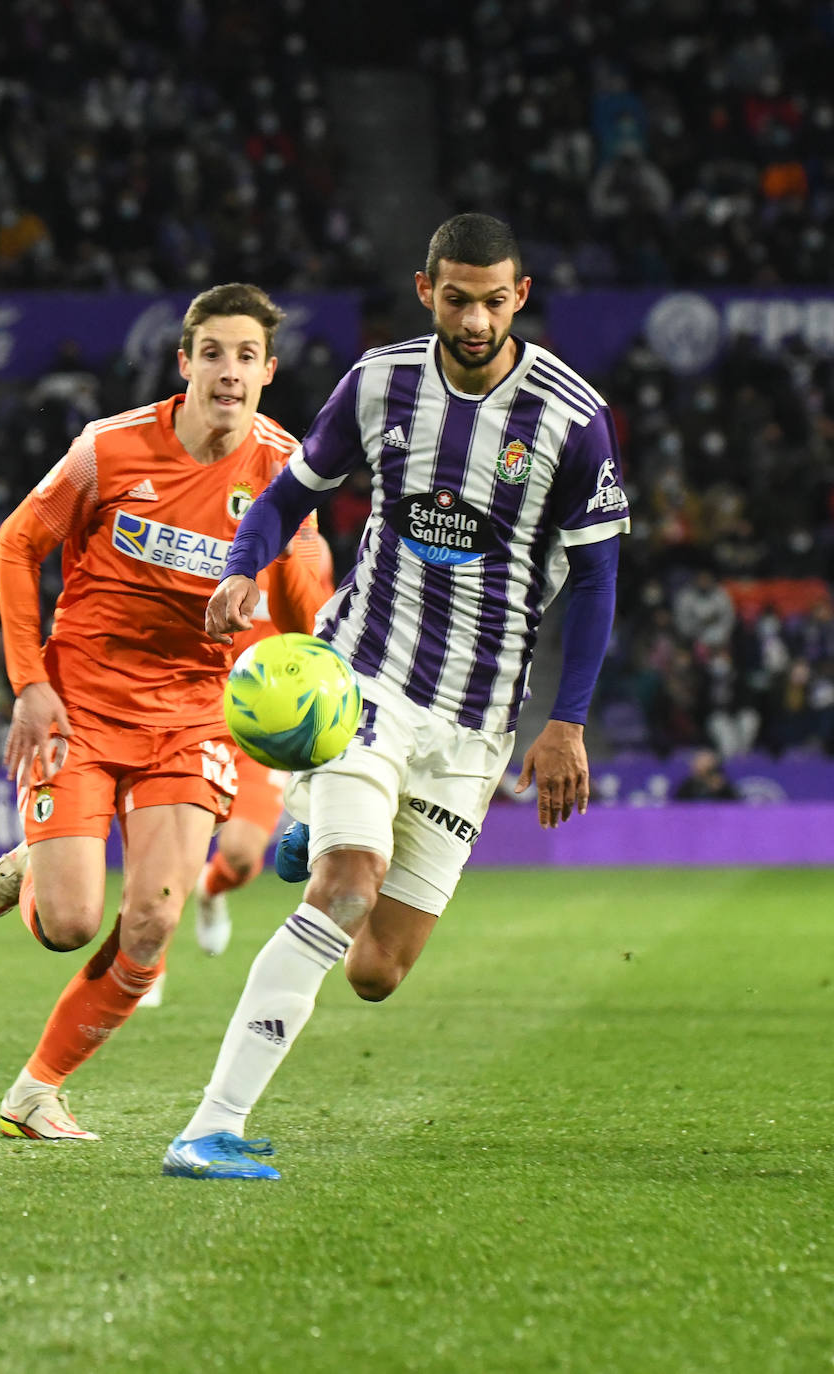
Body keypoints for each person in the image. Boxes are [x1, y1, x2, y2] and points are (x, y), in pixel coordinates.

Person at [161, 212, 632, 1180]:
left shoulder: (570, 414)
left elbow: (595, 580)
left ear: (520, 297)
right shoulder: (379, 383)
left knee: (376, 972)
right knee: (343, 891)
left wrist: (567, 720)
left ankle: (304, 821)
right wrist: (245, 569)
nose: (473, 317)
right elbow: (289, 494)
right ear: (427, 290)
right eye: (455, 297)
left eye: (492, 300)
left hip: (474, 721)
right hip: (363, 681)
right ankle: (208, 1126)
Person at [0, 282, 329, 1141]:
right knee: (68, 924)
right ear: (185, 362)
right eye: (214, 354)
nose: (230, 373)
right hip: (83, 703)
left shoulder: (287, 470)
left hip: (194, 715)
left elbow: (308, 593)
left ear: (269, 371)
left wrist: (323, 681)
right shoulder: (109, 449)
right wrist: (29, 682)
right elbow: (18, 543)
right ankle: (44, 851)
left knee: (157, 916)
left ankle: (37, 1089)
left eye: (247, 357)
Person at [138, 527, 335, 1008]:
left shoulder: (308, 547)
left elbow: (315, 630)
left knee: (244, 856)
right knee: (170, 852)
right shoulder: (193, 531)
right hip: (193, 711)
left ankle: (211, 888)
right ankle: (147, 965)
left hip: (261, 726)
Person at [671, 748, 741, 801]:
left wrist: (719, 790)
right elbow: (678, 803)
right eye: (696, 762)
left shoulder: (722, 784)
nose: (695, 765)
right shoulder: (688, 784)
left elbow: (734, 804)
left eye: (700, 762)